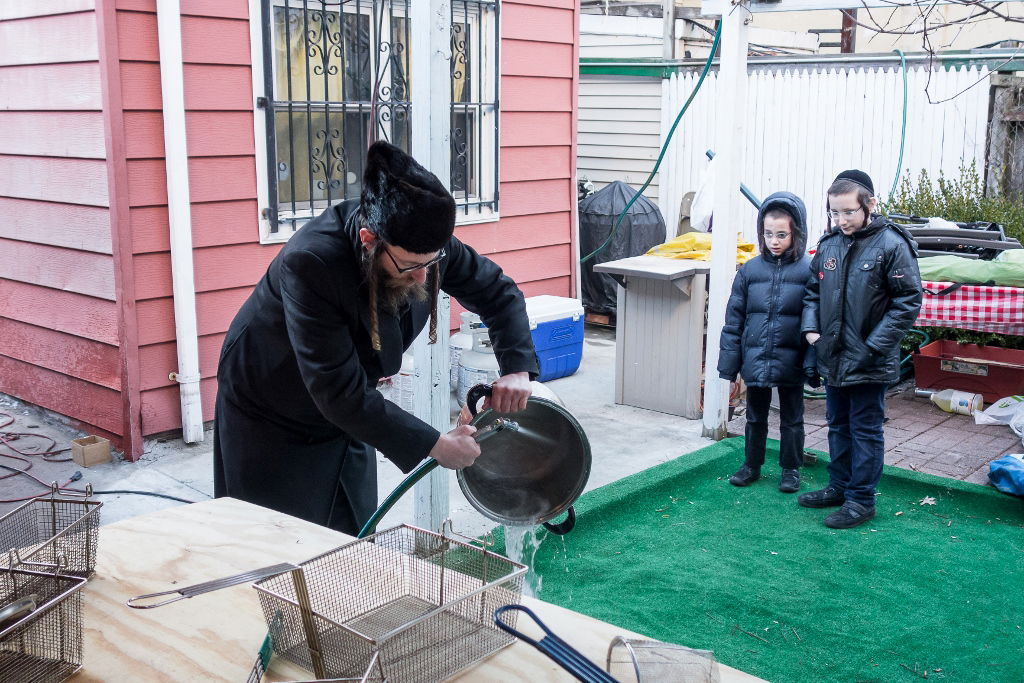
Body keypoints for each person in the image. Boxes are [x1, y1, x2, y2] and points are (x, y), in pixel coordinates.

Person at [213, 141, 538, 536]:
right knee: (279, 539)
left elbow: (498, 293)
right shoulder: (311, 262)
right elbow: (338, 393)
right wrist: (435, 444)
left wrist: (517, 368)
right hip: (272, 406)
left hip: (349, 407)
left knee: (351, 525)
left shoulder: (425, 246)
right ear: (369, 240)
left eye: (432, 262)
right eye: (411, 266)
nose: (424, 278)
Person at [800, 170, 922, 529]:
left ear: (869, 205)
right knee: (837, 423)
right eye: (834, 213)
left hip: (869, 360)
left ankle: (861, 500)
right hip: (833, 356)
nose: (841, 220)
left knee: (865, 428)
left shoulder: (892, 244)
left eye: (848, 212)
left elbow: (908, 300)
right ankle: (839, 486)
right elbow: (812, 292)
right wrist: (811, 333)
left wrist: (872, 346)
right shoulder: (829, 244)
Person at [719, 192, 815, 494]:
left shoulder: (809, 270)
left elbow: (816, 318)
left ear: (796, 233)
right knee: (755, 415)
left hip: (793, 357)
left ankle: (790, 468)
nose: (774, 240)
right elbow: (734, 321)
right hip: (756, 356)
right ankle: (751, 464)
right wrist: (729, 365)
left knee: (792, 417)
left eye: (782, 234)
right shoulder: (749, 271)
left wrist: (813, 363)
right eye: (768, 233)